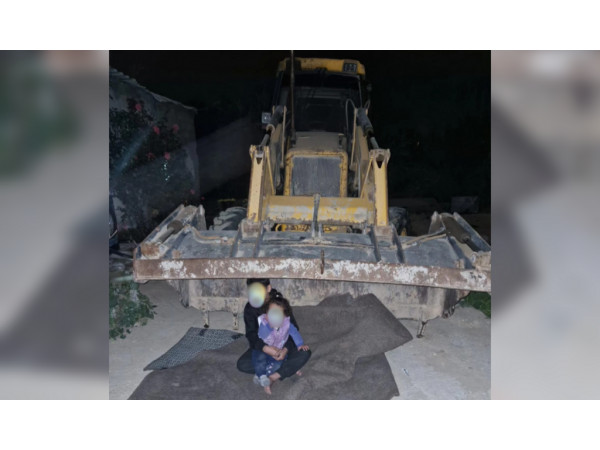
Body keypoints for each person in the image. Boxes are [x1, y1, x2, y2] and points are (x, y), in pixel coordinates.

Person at [236, 278, 311, 390]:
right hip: (263, 347)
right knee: (242, 364)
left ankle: (274, 376)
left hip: (283, 344)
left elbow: (292, 328)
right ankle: (287, 367)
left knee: (305, 352)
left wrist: (285, 350)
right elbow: (251, 335)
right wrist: (265, 348)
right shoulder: (250, 308)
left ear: (268, 288)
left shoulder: (279, 303)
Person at [252, 291, 309, 394]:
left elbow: (294, 333)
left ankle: (266, 376)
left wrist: (300, 344)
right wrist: (270, 327)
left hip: (279, 351)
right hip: (264, 350)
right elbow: (260, 337)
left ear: (284, 316)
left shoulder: (287, 324)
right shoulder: (264, 324)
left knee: (278, 364)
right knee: (258, 358)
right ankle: (261, 374)